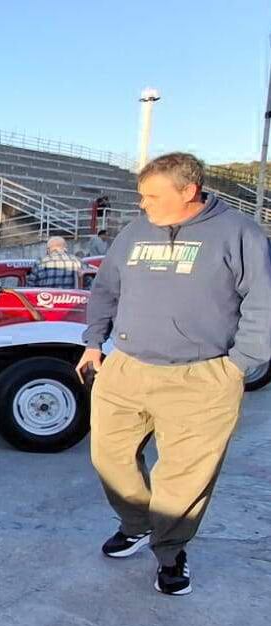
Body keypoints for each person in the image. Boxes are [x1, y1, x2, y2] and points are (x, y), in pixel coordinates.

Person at [78, 152, 271, 596]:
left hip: (200, 377)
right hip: (126, 368)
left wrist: (239, 365)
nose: (142, 204)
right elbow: (105, 289)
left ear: (189, 191)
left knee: (183, 478)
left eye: (151, 196)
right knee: (109, 457)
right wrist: (93, 342)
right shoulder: (134, 232)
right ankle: (136, 524)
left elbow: (262, 304)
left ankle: (170, 552)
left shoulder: (239, 233)